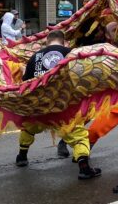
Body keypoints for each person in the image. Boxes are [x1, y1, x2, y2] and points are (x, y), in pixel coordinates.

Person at [16, 30, 100, 180]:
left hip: (40, 106)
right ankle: (84, 168)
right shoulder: (72, 54)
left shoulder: (35, 57)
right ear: (64, 42)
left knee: (29, 128)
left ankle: (22, 156)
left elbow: (26, 84)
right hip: (63, 106)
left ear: (46, 42)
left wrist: (24, 71)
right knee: (79, 137)